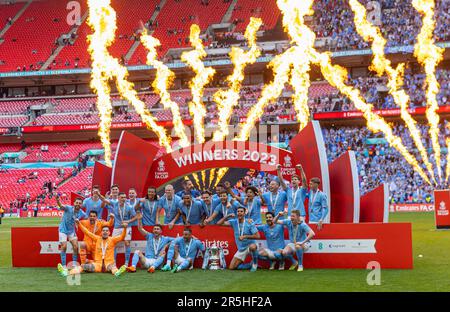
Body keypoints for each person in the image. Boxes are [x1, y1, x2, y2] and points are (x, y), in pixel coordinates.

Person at [59, 220, 128, 277]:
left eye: (107, 231)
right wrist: (79, 224)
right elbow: (87, 232)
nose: (105, 232)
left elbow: (122, 237)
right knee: (83, 266)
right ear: (101, 232)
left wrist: (125, 228)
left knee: (113, 267)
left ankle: (117, 273)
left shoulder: (112, 240)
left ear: (109, 233)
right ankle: (67, 273)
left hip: (109, 263)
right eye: (103, 231)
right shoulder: (97, 238)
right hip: (97, 265)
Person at [98, 192, 137, 266]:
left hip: (127, 227)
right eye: (122, 197)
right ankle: (114, 262)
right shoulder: (114, 203)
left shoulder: (129, 207)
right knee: (113, 244)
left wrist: (128, 221)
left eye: (125, 197)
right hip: (117, 228)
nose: (124, 199)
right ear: (118, 198)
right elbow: (104, 200)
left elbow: (136, 217)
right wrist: (99, 194)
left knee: (127, 243)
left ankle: (126, 262)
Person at [218, 206, 260, 272]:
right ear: (236, 213)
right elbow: (219, 223)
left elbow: (257, 236)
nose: (239, 213)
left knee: (253, 247)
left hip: (250, 245)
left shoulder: (249, 222)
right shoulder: (234, 222)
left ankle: (255, 264)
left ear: (244, 213)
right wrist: (227, 216)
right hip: (241, 248)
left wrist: (245, 236)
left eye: (241, 211)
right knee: (231, 267)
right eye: (238, 211)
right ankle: (250, 265)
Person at [55, 195, 87, 268]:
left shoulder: (81, 213)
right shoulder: (69, 208)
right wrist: (58, 200)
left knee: (75, 247)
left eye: (79, 203)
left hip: (71, 231)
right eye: (77, 202)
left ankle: (74, 264)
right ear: (74, 203)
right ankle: (63, 266)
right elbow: (61, 206)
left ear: (81, 205)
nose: (78, 204)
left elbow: (88, 217)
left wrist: (99, 220)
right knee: (64, 246)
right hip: (63, 230)